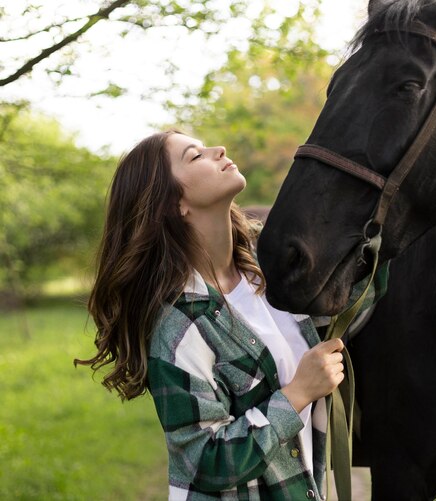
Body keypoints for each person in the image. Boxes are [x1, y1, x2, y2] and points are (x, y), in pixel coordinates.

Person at [75, 129, 346, 500]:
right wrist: (298, 393)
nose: (218, 150)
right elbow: (205, 462)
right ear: (174, 204)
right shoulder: (178, 326)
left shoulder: (268, 266)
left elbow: (349, 298)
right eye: (195, 156)